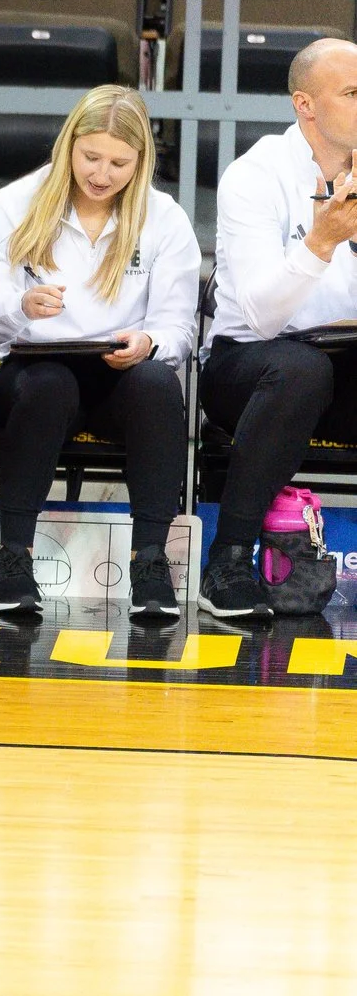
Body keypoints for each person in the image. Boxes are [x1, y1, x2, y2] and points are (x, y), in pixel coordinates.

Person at [0, 86, 198, 618]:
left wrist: (149, 342)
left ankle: (150, 561)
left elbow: (177, 328)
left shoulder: (164, 218)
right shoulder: (16, 203)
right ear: (69, 144)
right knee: (50, 384)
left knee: (159, 383)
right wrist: (22, 305)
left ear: (141, 162)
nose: (102, 173)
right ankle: (14, 558)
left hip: (120, 376)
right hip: (32, 371)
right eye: (91, 156)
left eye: (119, 162)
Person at [197, 38, 357, 619]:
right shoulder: (256, 175)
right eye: (352, 92)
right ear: (305, 104)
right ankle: (229, 560)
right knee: (299, 368)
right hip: (249, 367)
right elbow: (263, 316)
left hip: (343, 362)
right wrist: (320, 243)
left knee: (318, 369)